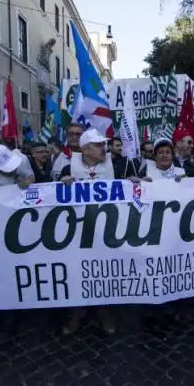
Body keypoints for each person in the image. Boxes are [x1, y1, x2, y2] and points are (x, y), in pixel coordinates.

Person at [59, 129, 138, 335]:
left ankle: (104, 311)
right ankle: (78, 310)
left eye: (104, 144)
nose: (104, 148)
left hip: (107, 230)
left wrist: (138, 184)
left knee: (104, 271)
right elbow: (49, 194)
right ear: (85, 150)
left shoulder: (118, 165)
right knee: (78, 271)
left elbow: (131, 185)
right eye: (98, 145)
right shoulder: (68, 167)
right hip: (77, 232)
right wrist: (61, 184)